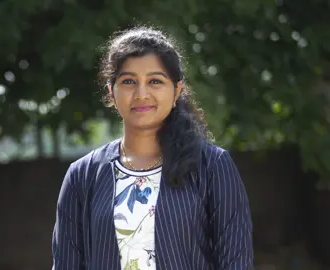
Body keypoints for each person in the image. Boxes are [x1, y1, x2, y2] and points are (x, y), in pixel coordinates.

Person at [51, 25, 253, 270]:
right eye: (128, 81)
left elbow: (236, 263)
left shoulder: (212, 166)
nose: (141, 93)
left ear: (177, 90)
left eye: (155, 81)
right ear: (111, 93)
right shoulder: (83, 176)